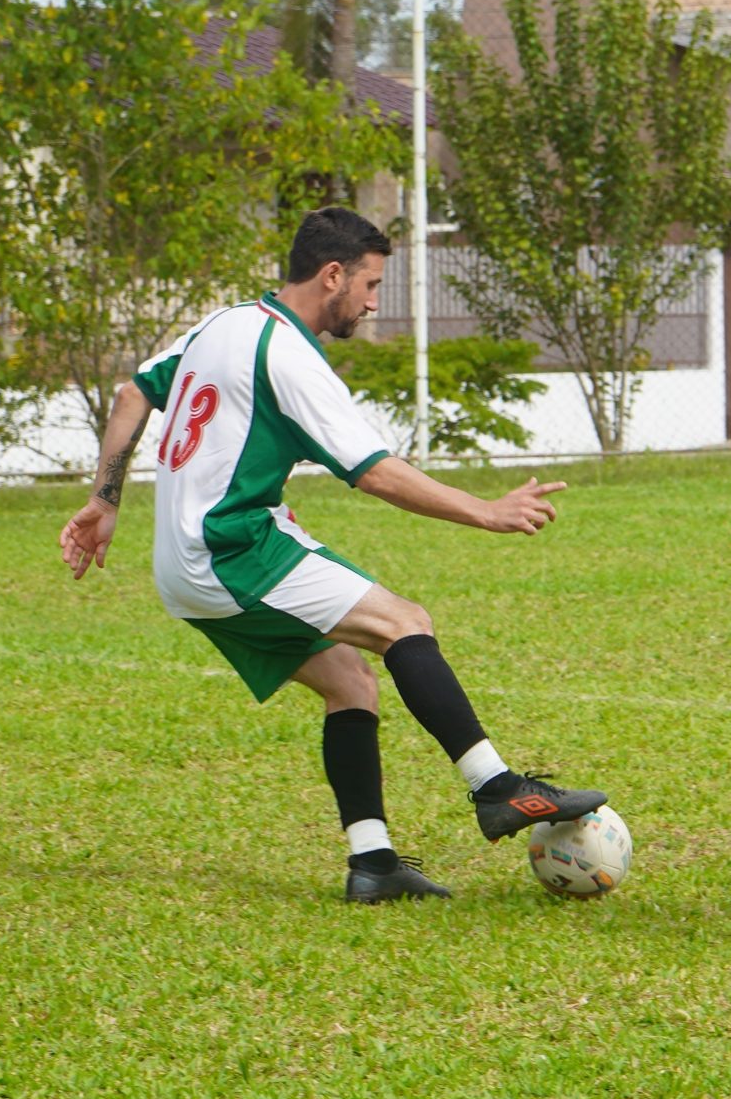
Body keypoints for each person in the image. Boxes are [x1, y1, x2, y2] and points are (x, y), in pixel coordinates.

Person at [55, 207, 607, 901]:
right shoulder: (288, 355)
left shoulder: (223, 323)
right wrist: (485, 512)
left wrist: (105, 498)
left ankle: (372, 864)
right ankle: (496, 788)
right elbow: (375, 471)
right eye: (371, 286)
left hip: (181, 562)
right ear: (333, 275)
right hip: (234, 546)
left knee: (351, 684)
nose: (374, 304)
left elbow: (134, 390)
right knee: (404, 623)